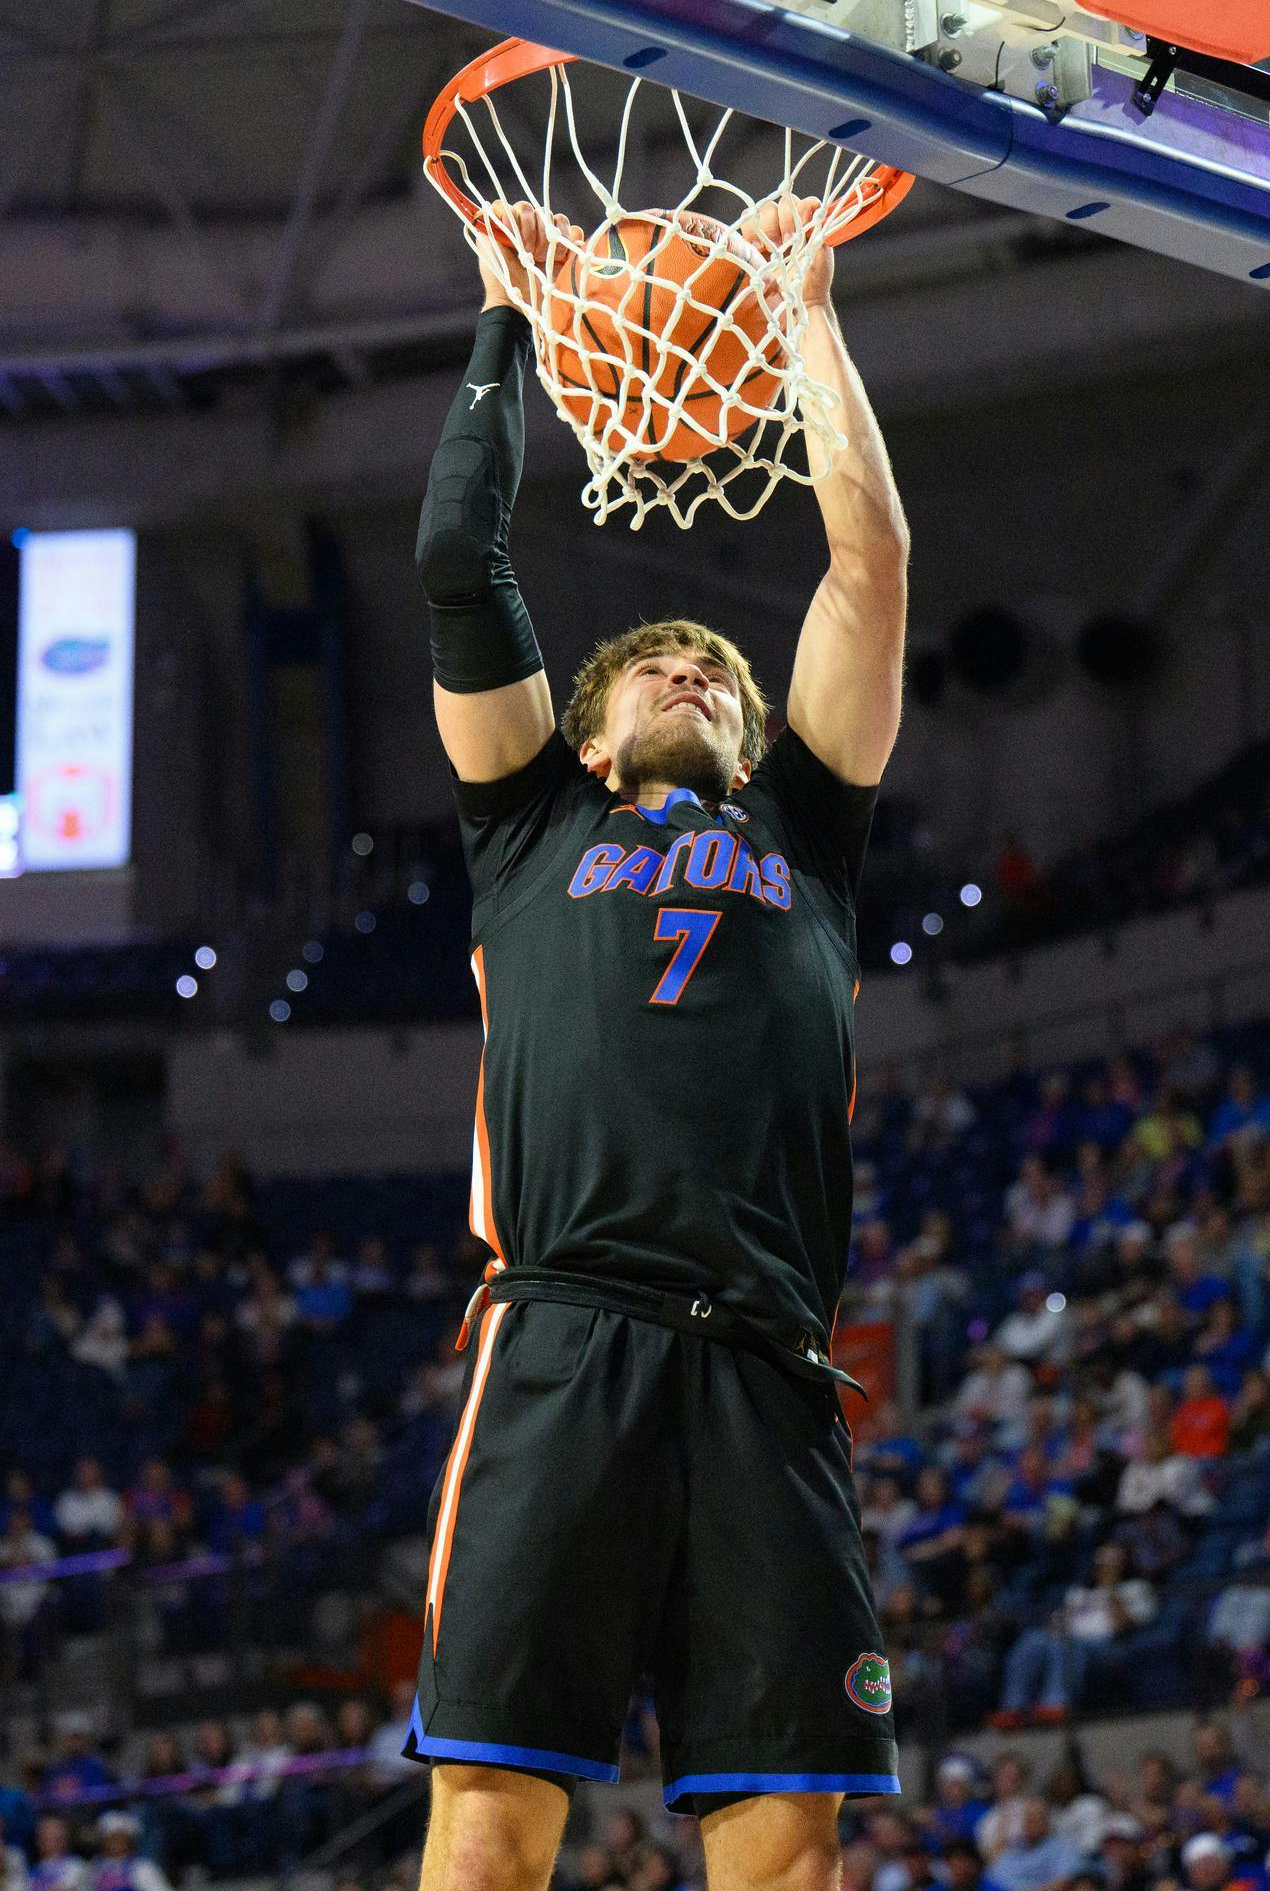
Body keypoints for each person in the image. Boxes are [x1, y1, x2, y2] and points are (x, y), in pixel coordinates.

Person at [402, 194, 910, 1891]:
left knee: (788, 1834)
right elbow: (457, 565)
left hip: (766, 1366)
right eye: (661, 663)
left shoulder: (808, 836)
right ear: (597, 732)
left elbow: (867, 568)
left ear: (755, 732)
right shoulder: (528, 823)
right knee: (489, 1814)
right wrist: (508, 323)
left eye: (714, 666)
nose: (693, 663)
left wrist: (805, 311)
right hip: (567, 1337)